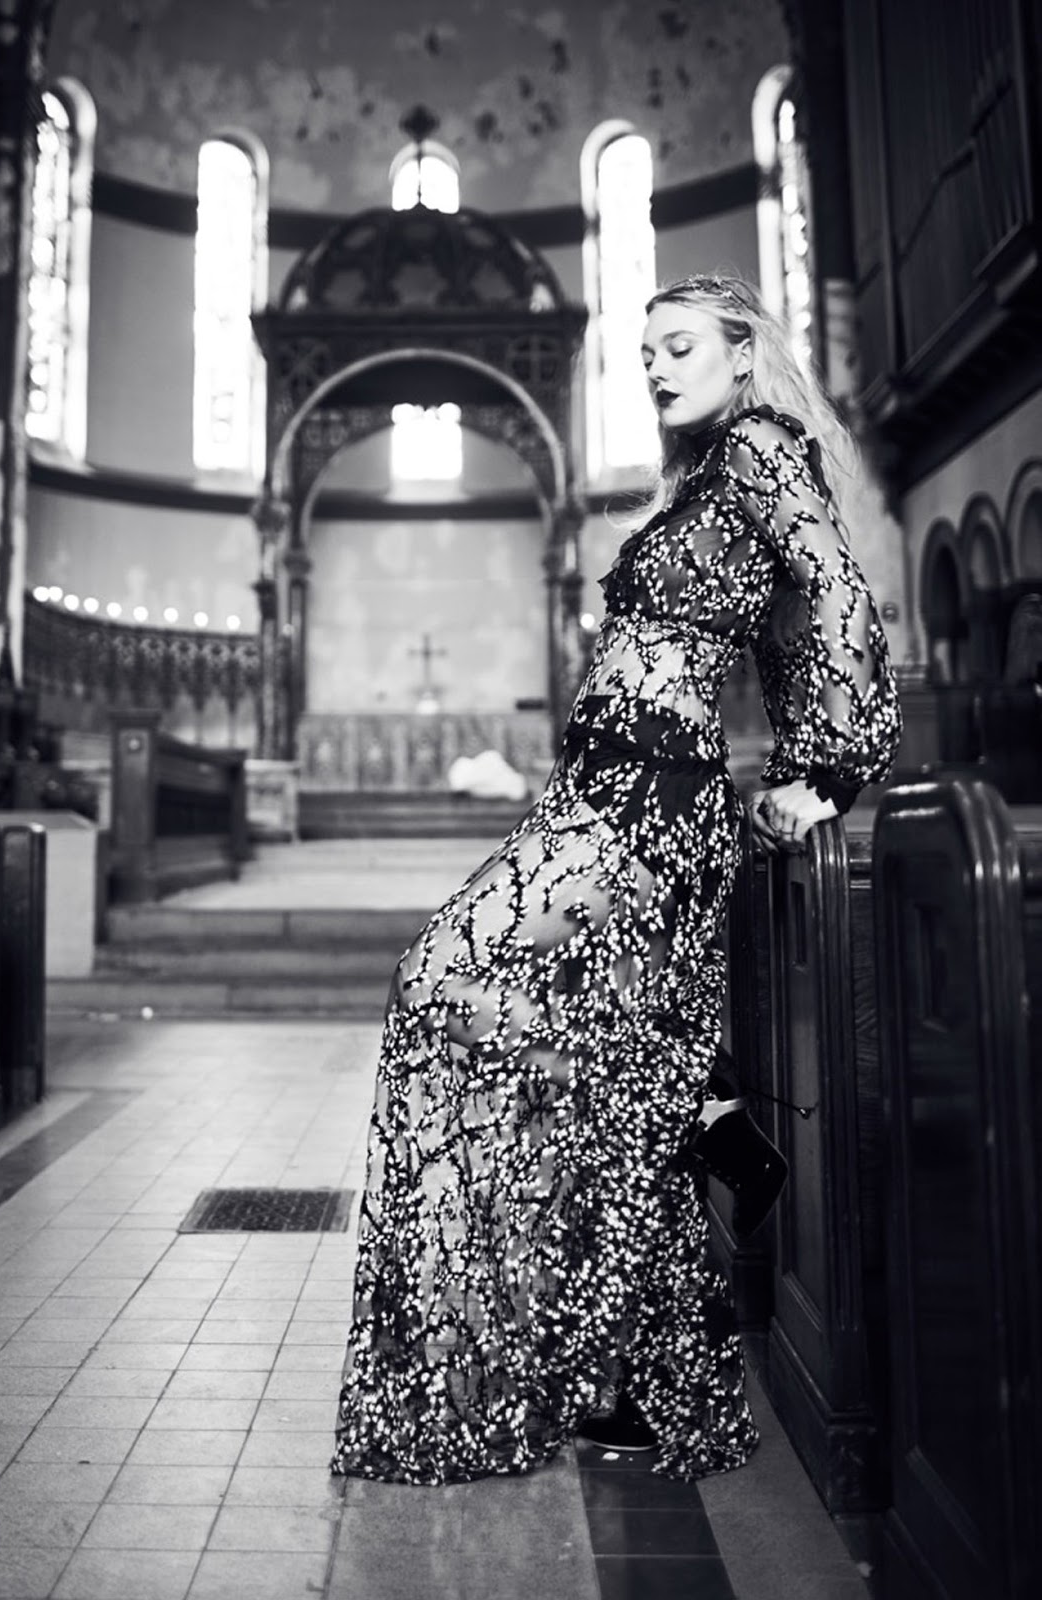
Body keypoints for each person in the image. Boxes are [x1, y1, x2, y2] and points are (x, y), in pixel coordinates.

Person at [330, 273, 902, 1485]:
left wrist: (823, 770)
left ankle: (662, 1159)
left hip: (646, 801)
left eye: (678, 345)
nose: (654, 366)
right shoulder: (701, 476)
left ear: (743, 352)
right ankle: (651, 1357)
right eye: (645, 352)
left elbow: (835, 594)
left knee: (439, 979)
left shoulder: (759, 445)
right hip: (599, 792)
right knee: (609, 1067)